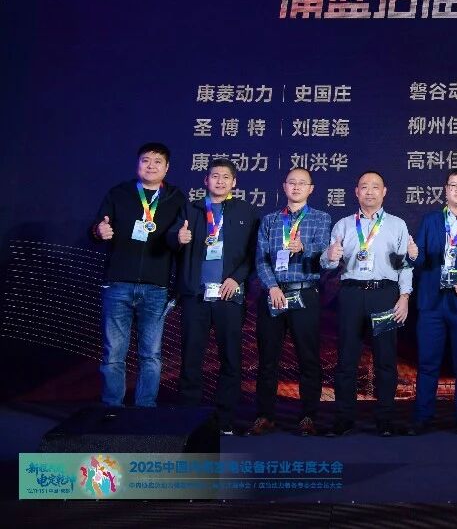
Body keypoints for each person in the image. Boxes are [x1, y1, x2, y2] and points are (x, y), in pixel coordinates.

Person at [91, 142, 186, 408]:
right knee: (113, 355)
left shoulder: (177, 199)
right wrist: (98, 232)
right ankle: (112, 409)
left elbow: (178, 241)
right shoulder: (119, 193)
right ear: (138, 164)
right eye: (146, 160)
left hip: (156, 287)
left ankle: (145, 410)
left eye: (157, 161)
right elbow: (97, 228)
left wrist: (179, 239)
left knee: (151, 355)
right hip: (118, 284)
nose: (151, 166)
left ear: (167, 168)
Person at [170, 158, 259, 435]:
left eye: (225, 177)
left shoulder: (246, 211)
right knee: (191, 358)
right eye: (215, 176)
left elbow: (253, 254)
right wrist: (177, 238)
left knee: (230, 358)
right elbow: (171, 239)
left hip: (228, 295)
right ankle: (188, 418)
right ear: (205, 180)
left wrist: (236, 278)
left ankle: (224, 420)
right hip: (195, 295)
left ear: (234, 182)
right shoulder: (191, 208)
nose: (220, 181)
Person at [324, 170, 414, 437]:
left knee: (386, 359)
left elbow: (404, 265)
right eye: (364, 186)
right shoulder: (343, 225)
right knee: (346, 359)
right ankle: (344, 418)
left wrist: (404, 296)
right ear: (356, 192)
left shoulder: (397, 225)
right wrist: (329, 256)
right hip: (351, 294)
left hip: (384, 294)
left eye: (376, 187)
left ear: (384, 192)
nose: (370, 191)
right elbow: (329, 264)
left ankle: (385, 419)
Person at [251, 167, 333, 436]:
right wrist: (272, 287)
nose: (296, 187)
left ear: (311, 189)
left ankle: (308, 416)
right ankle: (264, 416)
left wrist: (304, 248)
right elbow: (261, 259)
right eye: (292, 182)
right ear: (284, 186)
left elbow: (324, 251)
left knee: (308, 358)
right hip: (273, 294)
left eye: (302, 183)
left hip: (304, 293)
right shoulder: (270, 220)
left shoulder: (321, 218)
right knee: (268, 359)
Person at [408, 166, 457, 435]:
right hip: (431, 302)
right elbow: (418, 260)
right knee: (427, 363)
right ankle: (422, 417)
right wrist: (413, 254)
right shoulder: (430, 220)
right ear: (446, 189)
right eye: (454, 185)